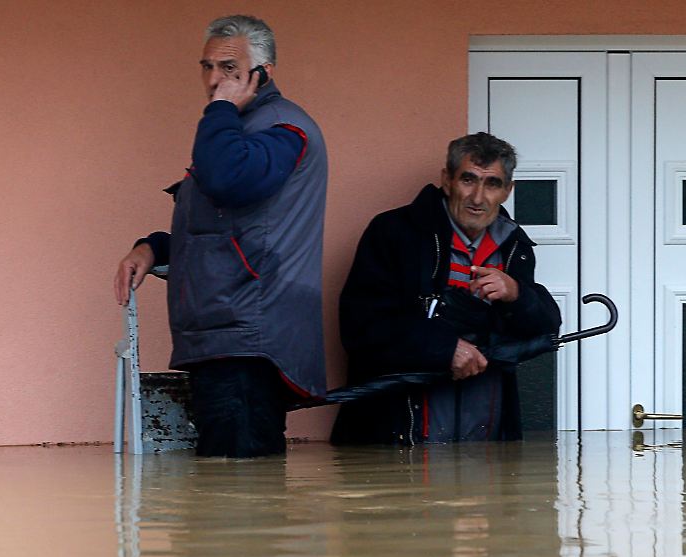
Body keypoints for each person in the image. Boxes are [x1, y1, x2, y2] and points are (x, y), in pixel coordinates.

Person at [113, 15, 327, 458]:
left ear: (262, 73)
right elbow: (223, 229)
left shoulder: (283, 128)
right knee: (223, 502)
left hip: (249, 339)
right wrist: (153, 247)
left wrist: (221, 110)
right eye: (207, 67)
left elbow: (227, 180)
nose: (214, 80)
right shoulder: (235, 132)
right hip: (227, 334)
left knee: (239, 502)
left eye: (229, 69)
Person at [331, 133, 560, 445]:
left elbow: (543, 328)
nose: (477, 197)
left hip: (487, 440)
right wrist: (443, 349)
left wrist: (517, 294)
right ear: (447, 180)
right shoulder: (393, 232)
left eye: (492, 183)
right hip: (398, 435)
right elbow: (360, 328)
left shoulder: (514, 246)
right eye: (468, 179)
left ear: (508, 191)